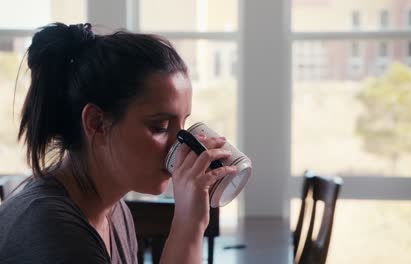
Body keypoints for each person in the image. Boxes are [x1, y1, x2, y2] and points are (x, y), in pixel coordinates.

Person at [0, 22, 237, 264]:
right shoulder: (51, 231)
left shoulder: (115, 211)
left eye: (183, 126)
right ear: (96, 123)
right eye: (161, 128)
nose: (180, 147)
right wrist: (189, 224)